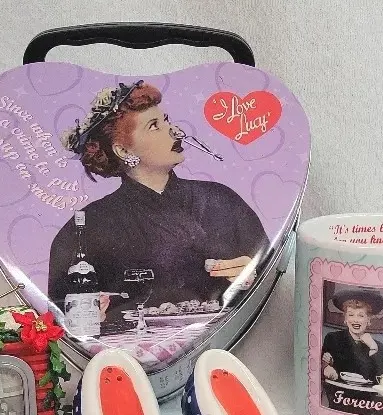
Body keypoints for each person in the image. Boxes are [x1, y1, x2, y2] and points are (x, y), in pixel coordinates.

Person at [47, 81, 269, 323]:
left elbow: (270, 270)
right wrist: (87, 315)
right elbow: (61, 311)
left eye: (167, 120)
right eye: (154, 126)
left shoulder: (222, 200)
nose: (175, 131)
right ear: (123, 151)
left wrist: (253, 273)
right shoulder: (88, 224)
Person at [321, 289, 383, 382]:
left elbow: (379, 378)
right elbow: (321, 365)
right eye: (351, 315)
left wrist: (373, 347)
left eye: (361, 315)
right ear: (345, 318)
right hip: (337, 390)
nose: (355, 320)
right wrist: (325, 367)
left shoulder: (378, 347)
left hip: (364, 391)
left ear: (368, 320)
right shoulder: (333, 339)